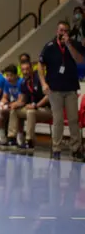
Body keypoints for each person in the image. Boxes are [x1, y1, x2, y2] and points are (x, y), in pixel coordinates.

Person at [38, 21, 85, 160]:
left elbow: (80, 60)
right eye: (60, 30)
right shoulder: (50, 46)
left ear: (68, 33)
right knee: (58, 119)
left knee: (73, 119)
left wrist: (69, 44)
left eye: (65, 31)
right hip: (55, 90)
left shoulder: (74, 44)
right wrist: (43, 83)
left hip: (70, 88)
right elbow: (40, 64)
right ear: (56, 31)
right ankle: (56, 148)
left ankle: (76, 148)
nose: (62, 33)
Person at [8, 61, 50, 154]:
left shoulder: (39, 78)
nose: (25, 72)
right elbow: (22, 100)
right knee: (14, 110)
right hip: (32, 108)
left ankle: (29, 141)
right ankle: (12, 138)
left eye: (27, 69)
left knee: (30, 112)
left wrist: (36, 105)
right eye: (23, 70)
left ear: (32, 68)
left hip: (46, 109)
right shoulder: (24, 82)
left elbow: (48, 96)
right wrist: (15, 104)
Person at [0, 65, 23, 145]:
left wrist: (10, 105)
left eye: (11, 75)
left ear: (16, 75)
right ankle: (2, 136)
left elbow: (21, 100)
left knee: (14, 110)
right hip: (14, 103)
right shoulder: (7, 82)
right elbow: (5, 97)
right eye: (7, 75)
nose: (8, 78)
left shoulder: (21, 82)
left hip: (22, 103)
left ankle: (19, 136)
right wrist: (1, 104)